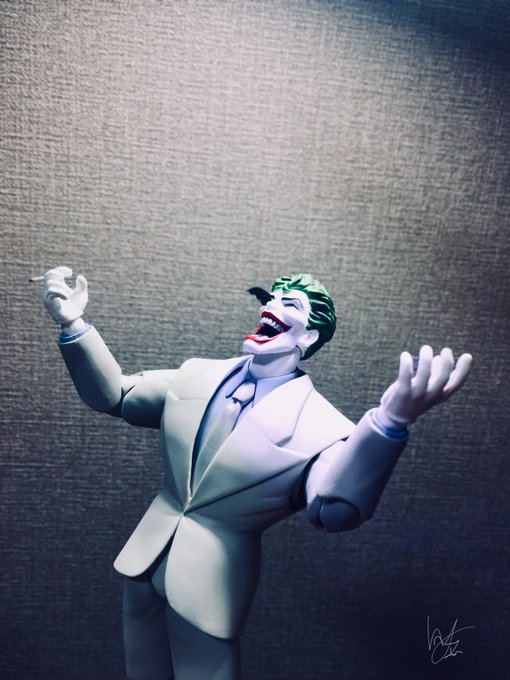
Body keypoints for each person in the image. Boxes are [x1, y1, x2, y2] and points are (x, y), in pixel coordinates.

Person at [41, 266, 471, 680]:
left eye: (291, 303)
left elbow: (333, 512)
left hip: (211, 586)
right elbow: (116, 395)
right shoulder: (195, 376)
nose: (272, 304)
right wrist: (74, 325)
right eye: (273, 297)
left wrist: (387, 425)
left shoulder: (323, 428)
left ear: (309, 335)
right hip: (144, 562)